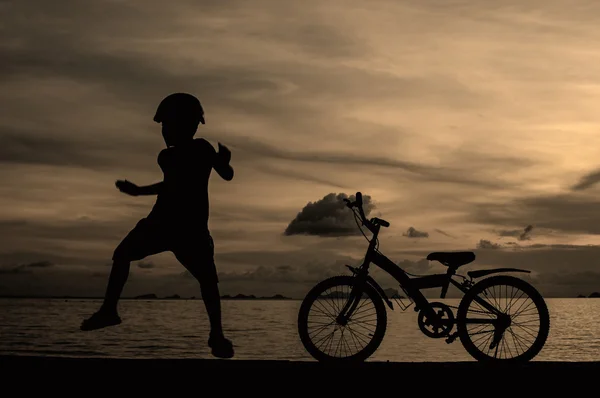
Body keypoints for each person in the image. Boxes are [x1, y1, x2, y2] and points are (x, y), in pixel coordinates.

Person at [80, 92, 235, 359]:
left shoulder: (200, 149)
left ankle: (216, 335)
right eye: (163, 125)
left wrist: (223, 162)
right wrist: (222, 163)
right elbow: (177, 183)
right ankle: (109, 310)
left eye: (168, 125)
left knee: (208, 282)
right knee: (123, 255)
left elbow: (223, 175)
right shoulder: (168, 157)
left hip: (183, 227)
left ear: (188, 125)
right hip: (166, 222)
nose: (164, 131)